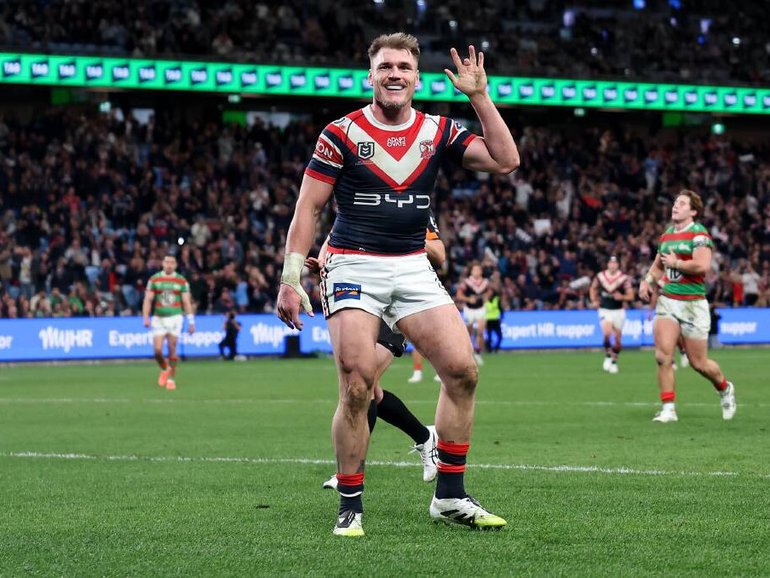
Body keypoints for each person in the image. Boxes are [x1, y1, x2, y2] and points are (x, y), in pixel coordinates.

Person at [276, 33, 519, 536]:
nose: (394, 74)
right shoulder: (340, 133)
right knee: (358, 383)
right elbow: (309, 208)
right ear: (370, 75)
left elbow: (505, 160)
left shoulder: (438, 130)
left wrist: (479, 96)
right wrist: (290, 275)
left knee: (463, 371)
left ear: (416, 77)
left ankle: (449, 497)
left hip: (411, 264)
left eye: (404, 67)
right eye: (385, 66)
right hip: (351, 264)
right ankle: (350, 504)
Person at [312, 217, 446, 488]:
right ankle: (425, 437)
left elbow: (439, 255)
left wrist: (401, 228)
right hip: (362, 301)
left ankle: (349, 471)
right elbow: (328, 248)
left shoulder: (413, 205)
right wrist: (323, 262)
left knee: (363, 384)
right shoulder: (356, 206)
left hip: (396, 304)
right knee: (368, 389)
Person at [639, 190, 737, 423]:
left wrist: (676, 263)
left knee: (698, 363)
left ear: (693, 211)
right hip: (668, 301)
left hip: (693, 304)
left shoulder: (699, 234)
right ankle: (668, 409)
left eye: (682, 203)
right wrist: (647, 281)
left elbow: (702, 266)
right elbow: (657, 266)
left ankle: (724, 388)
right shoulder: (667, 236)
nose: (676, 206)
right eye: (675, 202)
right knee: (663, 356)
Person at [142, 254, 195, 390]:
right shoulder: (154, 279)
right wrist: (146, 317)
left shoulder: (181, 281)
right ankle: (165, 369)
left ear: (176, 265)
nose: (169, 265)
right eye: (167, 262)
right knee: (157, 350)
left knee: (172, 348)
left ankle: (171, 379)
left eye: (172, 262)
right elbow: (148, 299)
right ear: (163, 264)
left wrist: (191, 321)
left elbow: (186, 302)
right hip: (159, 318)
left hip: (175, 318)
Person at [589, 256, 633, 374]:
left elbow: (631, 295)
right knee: (607, 333)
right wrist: (594, 300)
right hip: (605, 310)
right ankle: (608, 354)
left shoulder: (624, 278)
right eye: (610, 263)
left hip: (618, 311)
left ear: (618, 265)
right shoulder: (600, 276)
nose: (612, 265)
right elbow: (593, 288)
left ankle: (614, 361)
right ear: (607, 264)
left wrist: (622, 297)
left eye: (615, 263)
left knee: (618, 340)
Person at [456, 263, 489, 365]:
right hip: (469, 310)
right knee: (468, 333)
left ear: (481, 272)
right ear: (471, 272)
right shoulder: (466, 283)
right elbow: (459, 295)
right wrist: (468, 299)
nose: (476, 272)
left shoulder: (485, 282)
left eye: (478, 270)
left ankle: (478, 353)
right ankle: (469, 353)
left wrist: (486, 297)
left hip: (480, 309)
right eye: (474, 270)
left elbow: (488, 293)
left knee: (480, 331)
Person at [484, 286, 503, 353]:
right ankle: (489, 350)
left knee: (500, 336)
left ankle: (496, 348)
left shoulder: (496, 299)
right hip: (488, 320)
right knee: (489, 336)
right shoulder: (484, 299)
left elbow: (500, 308)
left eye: (491, 291)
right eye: (488, 291)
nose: (490, 293)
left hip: (495, 320)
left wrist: (502, 317)